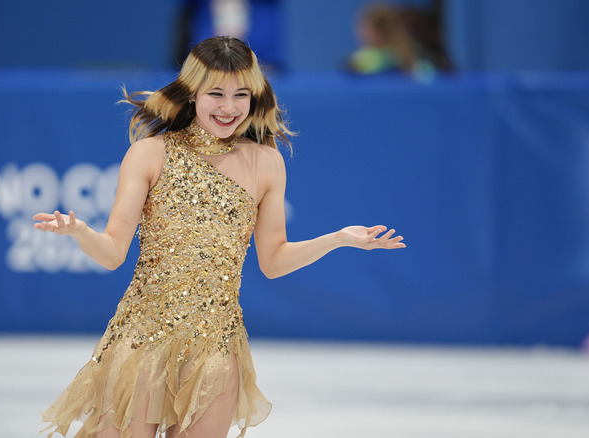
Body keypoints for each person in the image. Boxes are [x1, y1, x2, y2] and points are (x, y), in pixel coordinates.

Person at [34, 36, 405, 438]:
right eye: (216, 94)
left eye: (241, 95)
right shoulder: (150, 154)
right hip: (141, 339)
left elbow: (274, 260)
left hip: (216, 348)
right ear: (192, 93)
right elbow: (111, 254)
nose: (229, 108)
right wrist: (81, 232)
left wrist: (337, 239)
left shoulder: (267, 163)